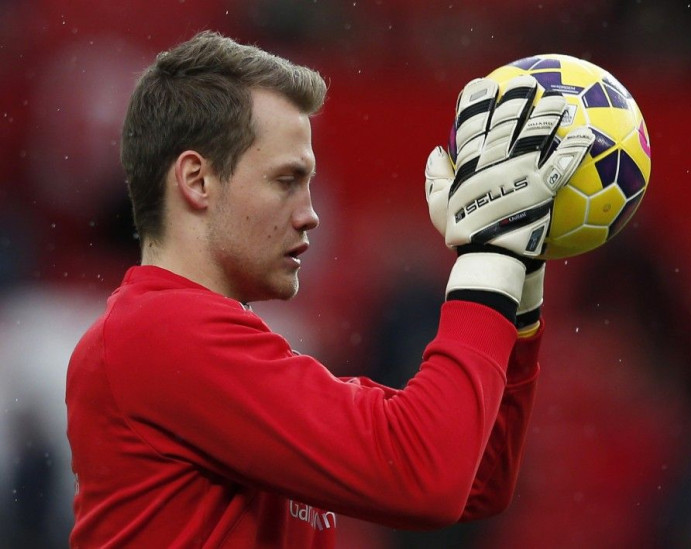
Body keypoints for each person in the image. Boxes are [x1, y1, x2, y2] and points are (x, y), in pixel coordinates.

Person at [66, 30, 593, 548]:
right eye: (287, 180)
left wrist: (518, 278)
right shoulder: (158, 334)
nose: (311, 214)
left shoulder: (205, 349)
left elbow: (474, 480)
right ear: (197, 180)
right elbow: (426, 477)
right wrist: (490, 257)